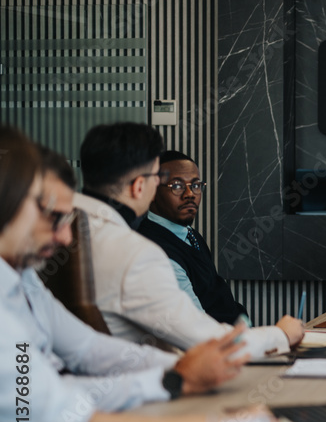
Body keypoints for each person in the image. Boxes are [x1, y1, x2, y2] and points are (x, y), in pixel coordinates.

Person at [0, 126, 245, 422]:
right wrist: (175, 383)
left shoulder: (21, 277)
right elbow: (51, 412)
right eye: (52, 215)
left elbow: (86, 349)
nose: (66, 236)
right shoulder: (138, 250)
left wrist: (178, 369)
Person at [75, 122, 304, 355]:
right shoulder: (140, 254)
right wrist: (280, 335)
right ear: (140, 186)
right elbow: (205, 342)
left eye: (196, 185)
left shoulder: (71, 232)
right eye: (158, 179)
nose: (189, 194)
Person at [138, 150, 250, 325]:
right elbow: (198, 326)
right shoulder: (158, 252)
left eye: (196, 185)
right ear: (152, 192)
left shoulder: (189, 233)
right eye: (177, 186)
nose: (190, 194)